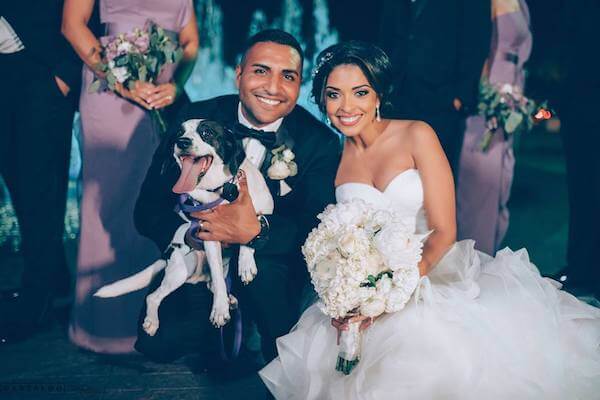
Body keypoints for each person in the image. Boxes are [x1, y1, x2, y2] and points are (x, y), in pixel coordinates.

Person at [259, 41, 600, 399]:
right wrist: (351, 296)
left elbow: (444, 230)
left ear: (378, 95)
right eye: (333, 95)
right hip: (367, 285)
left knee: (421, 352)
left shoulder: (416, 135)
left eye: (359, 92)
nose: (346, 107)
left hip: (430, 272)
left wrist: (393, 292)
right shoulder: (330, 155)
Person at [133, 29, 341, 365]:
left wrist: (255, 231)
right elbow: (147, 211)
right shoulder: (192, 123)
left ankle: (271, 344)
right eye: (260, 71)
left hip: (272, 266)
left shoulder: (320, 142)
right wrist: (192, 235)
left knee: (279, 336)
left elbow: (315, 227)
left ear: (299, 84)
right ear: (239, 74)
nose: (273, 87)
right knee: (162, 343)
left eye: (287, 76)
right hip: (201, 259)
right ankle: (217, 336)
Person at [61, 0, 199, 354]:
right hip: (110, 95)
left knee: (156, 202)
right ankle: (103, 326)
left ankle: (151, 322)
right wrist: (120, 80)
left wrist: (177, 85)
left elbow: (190, 44)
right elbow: (72, 26)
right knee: (108, 205)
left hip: (161, 100)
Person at [0, 1, 81, 344]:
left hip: (40, 71)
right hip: (7, 74)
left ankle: (38, 300)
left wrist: (66, 72)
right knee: (15, 178)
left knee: (39, 185)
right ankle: (54, 276)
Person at [378, 0, 491, 173]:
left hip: (442, 95)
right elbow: (386, 31)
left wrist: (461, 96)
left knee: (434, 172)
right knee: (392, 169)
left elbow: (476, 37)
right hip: (396, 91)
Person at [456, 0, 532, 255]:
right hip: (488, 99)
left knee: (501, 186)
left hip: (511, 96)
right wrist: (486, 95)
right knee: (479, 187)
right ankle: (473, 261)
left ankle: (489, 257)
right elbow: (477, 44)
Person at [550, 0, 600, 297]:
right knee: (582, 193)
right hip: (581, 109)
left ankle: (585, 270)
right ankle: (581, 268)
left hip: (584, 104)